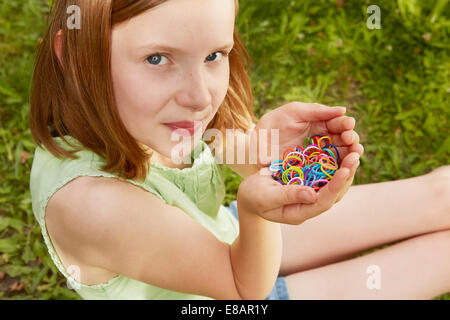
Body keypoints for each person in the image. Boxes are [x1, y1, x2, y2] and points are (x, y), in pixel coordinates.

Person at [29, 0, 450, 300]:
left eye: (214, 54)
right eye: (157, 59)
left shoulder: (144, 116)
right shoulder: (94, 206)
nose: (200, 96)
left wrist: (257, 150)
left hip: (219, 235)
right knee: (441, 255)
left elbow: (207, 147)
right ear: (78, 55)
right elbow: (244, 287)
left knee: (439, 195)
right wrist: (256, 212)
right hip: (232, 286)